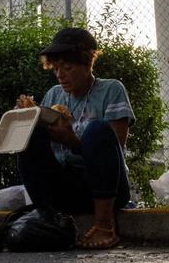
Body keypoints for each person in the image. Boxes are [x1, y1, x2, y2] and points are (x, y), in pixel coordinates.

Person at [15, 27, 134, 250]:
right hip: (66, 188)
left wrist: (72, 141)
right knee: (30, 136)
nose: (61, 75)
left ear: (88, 63)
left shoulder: (111, 90)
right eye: (56, 68)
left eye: (67, 68)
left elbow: (114, 146)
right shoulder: (54, 94)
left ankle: (104, 225)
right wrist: (26, 118)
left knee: (98, 129)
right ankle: (48, 219)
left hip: (107, 188)